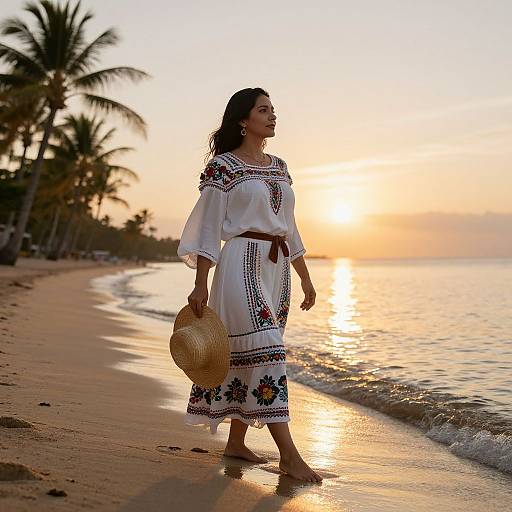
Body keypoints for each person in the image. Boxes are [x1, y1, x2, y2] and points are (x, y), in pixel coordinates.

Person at [177, 87, 322, 483]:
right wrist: (200, 283)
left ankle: (236, 443)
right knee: (269, 351)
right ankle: (289, 456)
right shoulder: (223, 167)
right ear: (244, 119)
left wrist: (305, 277)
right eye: (264, 110)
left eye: (274, 110)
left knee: (252, 355)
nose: (273, 116)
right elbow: (209, 226)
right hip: (240, 263)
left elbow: (289, 227)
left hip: (277, 271)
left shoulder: (280, 166)